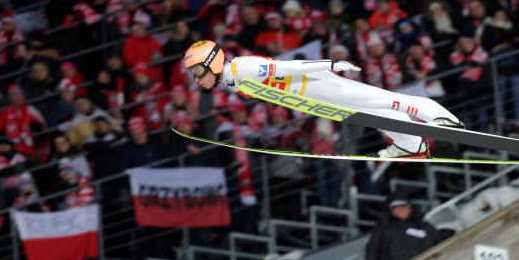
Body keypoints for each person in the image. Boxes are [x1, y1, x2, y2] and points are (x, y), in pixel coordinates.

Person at [183, 40, 464, 158]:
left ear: (213, 61)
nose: (196, 78)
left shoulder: (241, 67)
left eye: (197, 70)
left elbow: (286, 67)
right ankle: (411, 144)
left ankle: (442, 118)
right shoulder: (232, 80)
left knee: (382, 99)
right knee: (372, 113)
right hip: (310, 95)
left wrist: (330, 64)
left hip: (315, 84)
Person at [364, 194, 440, 260]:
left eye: (403, 206)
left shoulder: (425, 227)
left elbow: (437, 247)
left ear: (410, 207)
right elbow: (372, 253)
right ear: (390, 210)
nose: (399, 209)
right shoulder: (384, 229)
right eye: (394, 207)